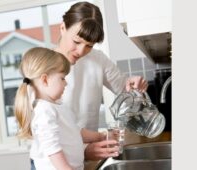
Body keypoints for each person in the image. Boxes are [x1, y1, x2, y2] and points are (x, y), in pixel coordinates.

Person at [53, 1, 148, 161]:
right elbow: (42, 131)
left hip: (86, 161)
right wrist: (83, 151)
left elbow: (127, 91)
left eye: (89, 45)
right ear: (63, 28)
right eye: (76, 42)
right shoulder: (41, 65)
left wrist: (134, 86)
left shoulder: (97, 59)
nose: (81, 51)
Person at [14, 47, 110, 170]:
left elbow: (75, 131)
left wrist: (101, 136)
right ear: (45, 80)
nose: (66, 83)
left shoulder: (55, 106)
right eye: (62, 78)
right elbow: (51, 146)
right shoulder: (44, 110)